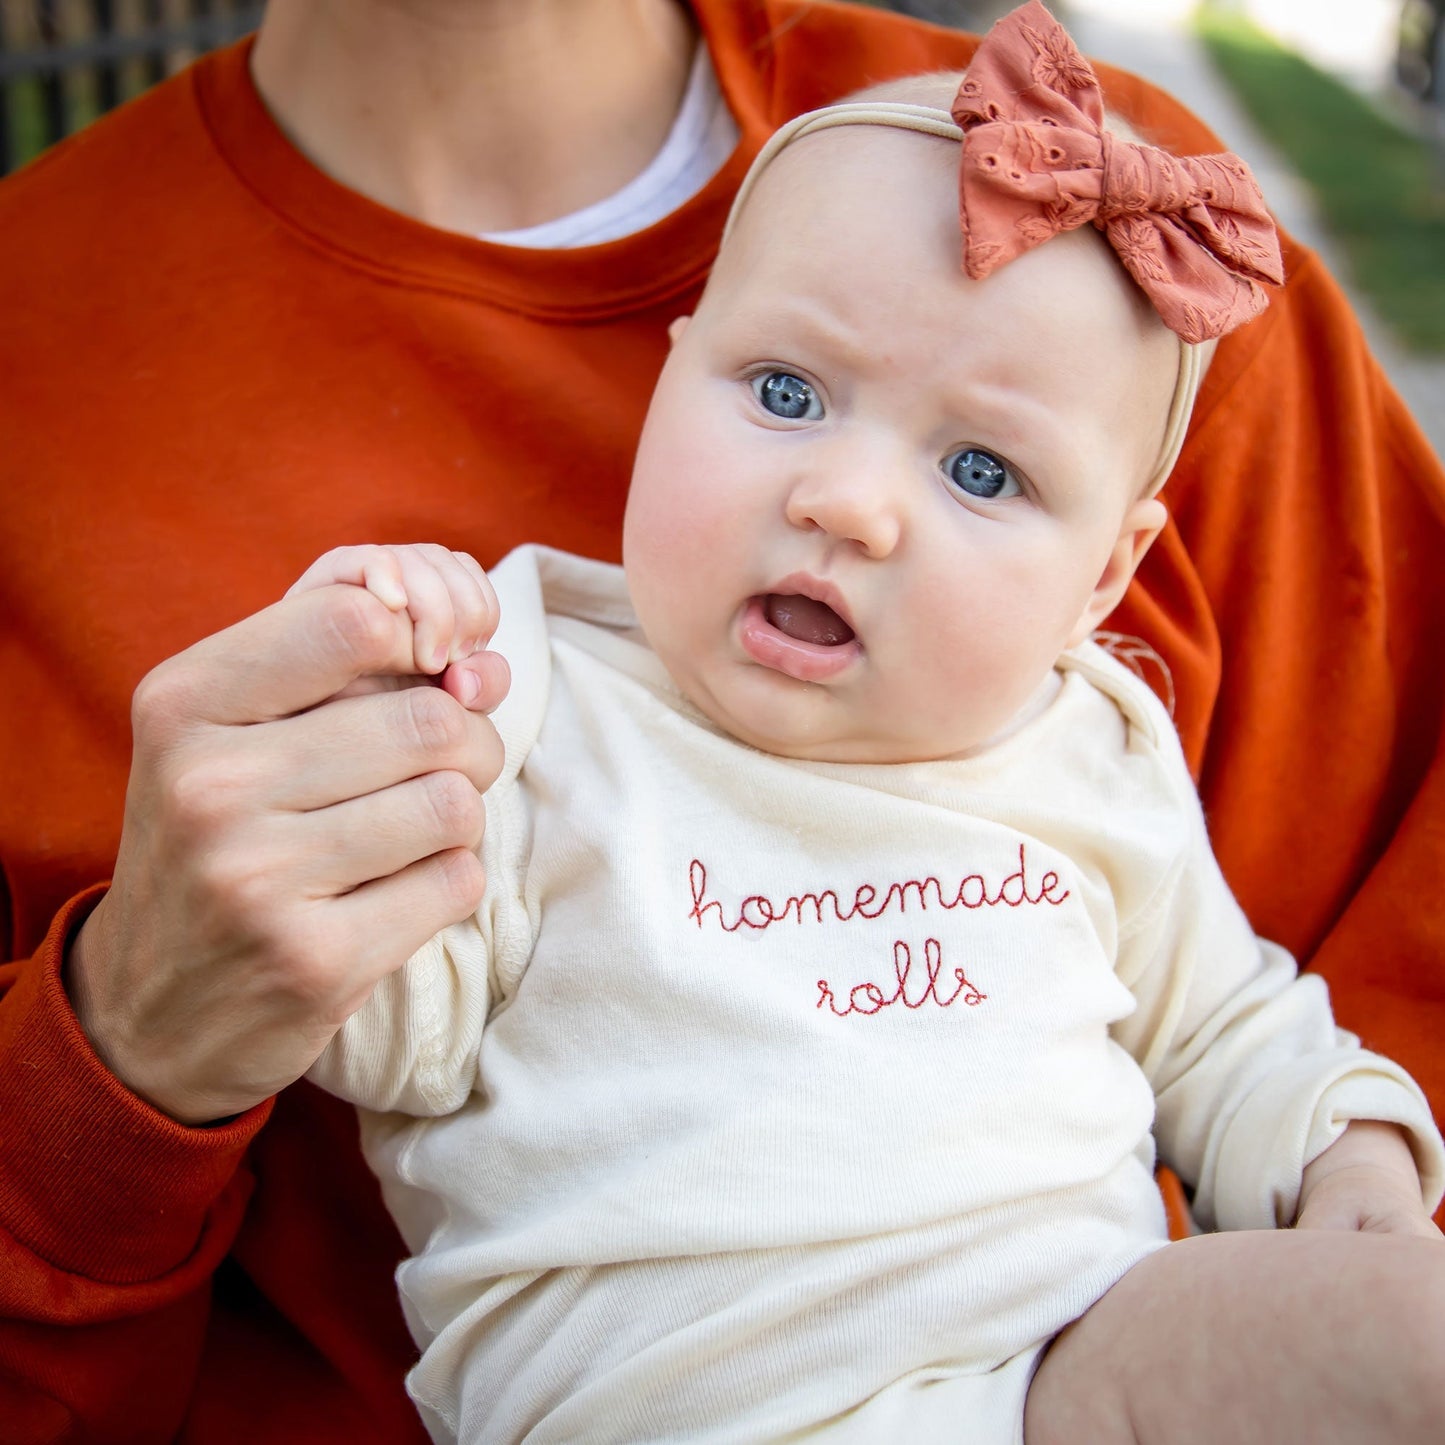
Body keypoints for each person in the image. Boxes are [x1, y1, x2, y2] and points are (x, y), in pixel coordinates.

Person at [1, 0, 1443, 1440]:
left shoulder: (1082, 748)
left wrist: (1356, 1167)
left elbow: (1234, 1032)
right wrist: (307, 788)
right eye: (784, 392)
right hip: (658, 1412)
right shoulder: (529, 705)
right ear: (670, 373)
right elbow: (363, 1016)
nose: (846, 501)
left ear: (1107, 576)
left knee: (1380, 1339)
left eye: (984, 475)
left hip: (1045, 1382)